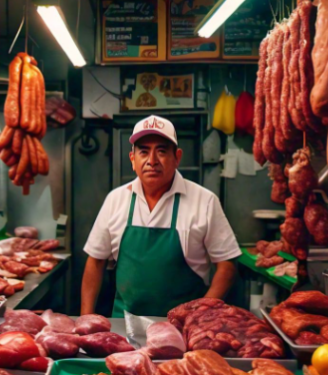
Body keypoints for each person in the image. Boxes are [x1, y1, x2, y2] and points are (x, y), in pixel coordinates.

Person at [81, 115, 241, 317]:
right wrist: (85, 318)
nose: (152, 161)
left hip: (184, 328)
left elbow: (227, 265)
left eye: (162, 151)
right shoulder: (116, 200)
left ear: (177, 157)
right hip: (124, 326)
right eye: (144, 152)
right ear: (133, 159)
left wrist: (201, 315)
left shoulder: (204, 201)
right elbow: (95, 261)